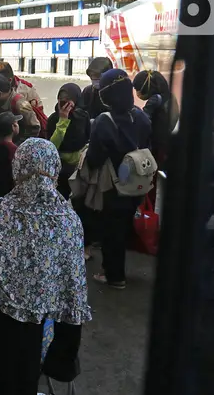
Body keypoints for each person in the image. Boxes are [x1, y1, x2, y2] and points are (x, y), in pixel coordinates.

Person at [0, 138, 92, 395]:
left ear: (18, 168)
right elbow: (74, 292)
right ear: (54, 170)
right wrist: (63, 354)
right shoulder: (69, 222)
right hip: (26, 339)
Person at [87, 69, 152, 289]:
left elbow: (94, 158)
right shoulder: (141, 116)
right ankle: (116, 269)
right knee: (124, 226)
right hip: (138, 182)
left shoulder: (104, 121)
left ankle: (114, 276)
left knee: (110, 230)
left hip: (114, 185)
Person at [47, 83, 91, 200]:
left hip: (79, 168)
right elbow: (52, 146)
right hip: (60, 168)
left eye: (68, 100)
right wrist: (63, 120)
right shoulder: (53, 119)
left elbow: (88, 138)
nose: (65, 103)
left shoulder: (82, 116)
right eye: (61, 100)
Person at [132, 70, 180, 166]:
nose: (137, 94)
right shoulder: (169, 95)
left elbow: (143, 120)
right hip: (166, 142)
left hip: (156, 146)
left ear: (146, 88)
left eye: (138, 90)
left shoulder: (155, 100)